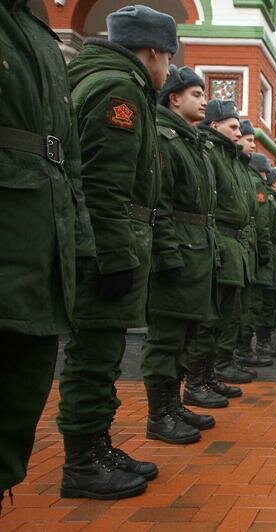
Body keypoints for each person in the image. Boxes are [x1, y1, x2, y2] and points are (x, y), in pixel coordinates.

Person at [56, 5, 176, 500]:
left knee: (100, 354)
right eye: (167, 57)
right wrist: (114, 254)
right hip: (108, 242)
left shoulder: (103, 80)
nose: (166, 69)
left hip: (105, 239)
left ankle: (96, 447)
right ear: (152, 52)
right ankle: (83, 462)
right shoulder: (119, 89)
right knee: (95, 355)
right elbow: (104, 184)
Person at [0, 0, 94, 506]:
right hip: (16, 233)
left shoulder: (37, 35)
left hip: (40, 245)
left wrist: (78, 240)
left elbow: (68, 158)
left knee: (23, 387)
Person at [139, 65, 218, 447]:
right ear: (174, 98)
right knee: (166, 338)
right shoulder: (165, 138)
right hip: (180, 249)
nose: (204, 101)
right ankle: (159, 415)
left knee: (186, 334)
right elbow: (161, 203)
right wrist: (167, 254)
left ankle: (174, 405)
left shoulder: (191, 141)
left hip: (197, 248)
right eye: (196, 94)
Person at [193, 99, 253, 397]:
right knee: (210, 317)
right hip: (218, 241)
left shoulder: (228, 157)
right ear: (214, 125)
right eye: (233, 127)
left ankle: (210, 373)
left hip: (233, 245)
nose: (238, 134)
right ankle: (198, 380)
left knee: (226, 314)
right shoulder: (209, 152)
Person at [234, 120, 272, 369]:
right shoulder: (249, 178)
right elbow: (259, 220)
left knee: (248, 305)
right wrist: (264, 250)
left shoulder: (243, 172)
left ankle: (237, 354)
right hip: (240, 247)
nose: (252, 144)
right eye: (248, 140)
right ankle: (237, 353)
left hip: (246, 247)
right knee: (244, 306)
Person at [254, 165, 276, 359]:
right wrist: (267, 253)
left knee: (273, 299)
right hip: (271, 256)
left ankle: (266, 340)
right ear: (272, 182)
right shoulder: (268, 200)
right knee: (266, 301)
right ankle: (262, 342)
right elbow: (265, 228)